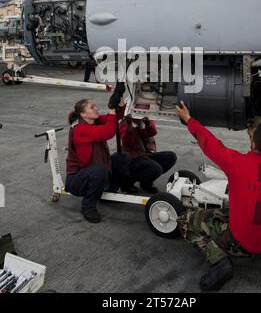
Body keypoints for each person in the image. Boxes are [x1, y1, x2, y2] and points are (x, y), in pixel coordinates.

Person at [175, 102, 261, 292]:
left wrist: (188, 119)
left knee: (186, 220)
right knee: (253, 209)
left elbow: (210, 143)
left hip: (241, 243)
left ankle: (219, 264)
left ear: (253, 143)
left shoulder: (238, 163)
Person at [65, 92, 130, 223]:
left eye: (95, 106)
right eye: (92, 107)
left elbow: (113, 118)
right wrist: (112, 109)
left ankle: (108, 192)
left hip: (93, 170)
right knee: (99, 170)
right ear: (83, 114)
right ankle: (88, 207)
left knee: (123, 158)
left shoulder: (94, 121)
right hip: (76, 179)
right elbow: (109, 131)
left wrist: (120, 107)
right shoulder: (80, 129)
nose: (96, 108)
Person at [119, 115, 177, 193]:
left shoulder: (145, 116)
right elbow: (126, 142)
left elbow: (153, 132)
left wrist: (147, 123)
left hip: (146, 154)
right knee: (156, 169)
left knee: (171, 157)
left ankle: (146, 182)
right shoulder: (125, 120)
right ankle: (127, 182)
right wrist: (129, 128)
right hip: (133, 158)